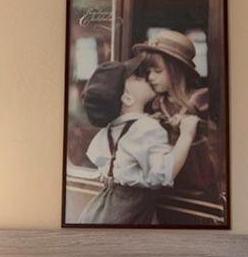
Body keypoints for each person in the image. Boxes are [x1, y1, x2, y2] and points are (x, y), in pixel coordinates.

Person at [77, 56, 199, 225]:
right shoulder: (146, 128)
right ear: (127, 98)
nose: (146, 77)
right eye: (136, 78)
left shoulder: (113, 129)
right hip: (131, 214)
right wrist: (186, 135)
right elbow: (164, 174)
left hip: (107, 207)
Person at [132, 30, 221, 198]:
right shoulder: (159, 104)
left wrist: (193, 125)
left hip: (198, 190)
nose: (150, 77)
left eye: (157, 71)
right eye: (148, 71)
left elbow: (213, 145)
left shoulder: (200, 101)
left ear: (176, 71)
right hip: (168, 189)